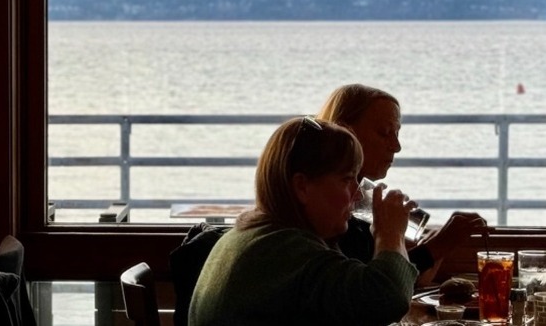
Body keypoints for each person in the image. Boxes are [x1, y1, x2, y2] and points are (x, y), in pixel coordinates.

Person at [189, 117, 418, 326]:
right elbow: (387, 298)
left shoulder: (248, 236)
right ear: (302, 187)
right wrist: (390, 233)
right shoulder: (286, 252)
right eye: (347, 179)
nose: (357, 195)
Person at [316, 83, 487, 285]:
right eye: (384, 132)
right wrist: (438, 245)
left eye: (397, 133)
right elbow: (374, 288)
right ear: (344, 132)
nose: (397, 147)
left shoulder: (365, 198)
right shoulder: (332, 208)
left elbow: (412, 278)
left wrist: (433, 244)